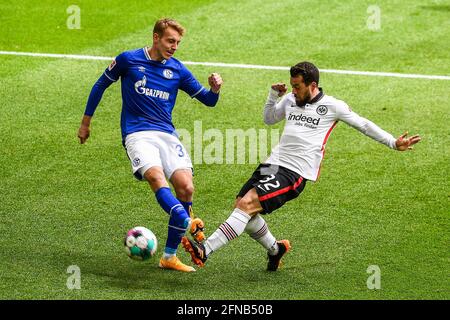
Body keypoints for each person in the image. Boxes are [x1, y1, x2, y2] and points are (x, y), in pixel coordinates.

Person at [182, 61, 421, 271]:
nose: (293, 90)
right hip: (272, 163)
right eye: (292, 86)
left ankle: (206, 249)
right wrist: (273, 96)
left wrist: (392, 142)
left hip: (295, 171)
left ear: (312, 85)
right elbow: (269, 119)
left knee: (246, 204)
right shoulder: (290, 99)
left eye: (297, 86)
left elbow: (364, 124)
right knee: (243, 209)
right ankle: (276, 250)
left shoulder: (332, 106)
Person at [77, 18, 223, 272]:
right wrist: (85, 122)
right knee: (156, 177)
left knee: (186, 188)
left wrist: (215, 90)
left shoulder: (178, 70)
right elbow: (100, 85)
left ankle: (169, 257)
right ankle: (188, 223)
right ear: (156, 38)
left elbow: (208, 101)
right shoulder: (128, 60)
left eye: (177, 42)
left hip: (166, 134)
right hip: (137, 134)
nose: (174, 46)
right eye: (170, 41)